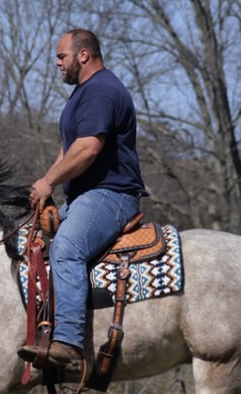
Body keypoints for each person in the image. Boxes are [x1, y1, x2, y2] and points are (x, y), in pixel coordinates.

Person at [17, 29, 147, 374]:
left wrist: (48, 182)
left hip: (111, 195)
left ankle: (70, 345)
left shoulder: (102, 91)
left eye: (62, 57)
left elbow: (89, 147)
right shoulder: (82, 94)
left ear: (84, 55)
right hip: (84, 196)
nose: (57, 63)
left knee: (68, 248)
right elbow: (71, 148)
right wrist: (49, 186)